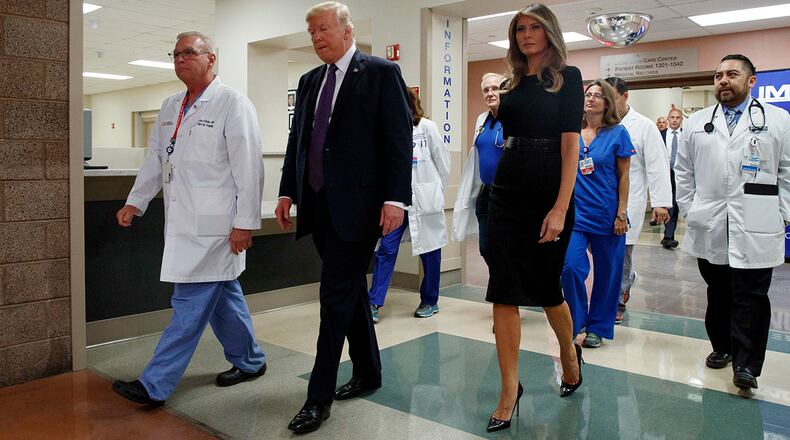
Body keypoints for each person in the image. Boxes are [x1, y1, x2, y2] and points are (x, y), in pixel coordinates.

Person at [274, 2, 412, 433]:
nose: (317, 37)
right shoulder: (310, 80)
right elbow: (300, 140)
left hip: (361, 208)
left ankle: (318, 398)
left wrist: (395, 199)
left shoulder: (379, 74)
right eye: (311, 31)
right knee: (348, 289)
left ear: (348, 31)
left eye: (324, 29)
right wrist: (287, 189)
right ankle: (369, 371)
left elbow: (397, 141)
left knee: (332, 298)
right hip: (318, 205)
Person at [111, 31, 267, 405]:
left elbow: (249, 169)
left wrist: (244, 223)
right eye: (176, 53)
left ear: (211, 59)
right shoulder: (169, 106)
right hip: (183, 222)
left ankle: (155, 383)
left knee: (189, 305)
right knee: (223, 296)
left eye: (189, 53)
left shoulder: (233, 104)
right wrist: (137, 201)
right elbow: (156, 160)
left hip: (217, 226)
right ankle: (250, 361)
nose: (180, 59)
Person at [484, 4, 584, 433]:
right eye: (520, 28)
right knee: (502, 291)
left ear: (549, 32)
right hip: (506, 192)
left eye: (534, 28)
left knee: (547, 290)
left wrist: (560, 208)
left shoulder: (569, 78)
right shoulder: (511, 81)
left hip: (548, 194)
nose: (526, 35)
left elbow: (569, 148)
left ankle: (568, 352)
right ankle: (509, 389)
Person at [675, 54, 790, 393]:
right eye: (718, 75)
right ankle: (722, 347)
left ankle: (747, 365)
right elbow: (684, 171)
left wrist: (782, 212)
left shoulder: (778, 119)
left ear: (751, 81)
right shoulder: (697, 122)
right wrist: (689, 207)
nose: (723, 80)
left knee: (752, 295)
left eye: (732, 74)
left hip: (758, 218)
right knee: (719, 290)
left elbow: (787, 170)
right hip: (709, 219)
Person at [561, 79, 634, 349]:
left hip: (608, 214)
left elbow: (625, 177)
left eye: (597, 95)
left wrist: (621, 214)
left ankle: (598, 327)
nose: (590, 99)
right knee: (569, 267)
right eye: (587, 94)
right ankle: (576, 320)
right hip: (576, 215)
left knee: (608, 273)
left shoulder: (618, 133)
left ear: (608, 103)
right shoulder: (571, 132)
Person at [368, 88, 451, 322]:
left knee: (430, 252)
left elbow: (443, 164)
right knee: (386, 249)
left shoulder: (426, 127)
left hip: (424, 200)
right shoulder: (385, 131)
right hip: (396, 202)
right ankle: (373, 301)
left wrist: (434, 192)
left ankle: (430, 300)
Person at [605, 77, 672, 325]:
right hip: (599, 200)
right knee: (600, 250)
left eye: (612, 96)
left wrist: (660, 202)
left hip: (629, 200)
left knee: (622, 251)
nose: (607, 102)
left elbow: (657, 165)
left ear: (625, 96)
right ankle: (625, 280)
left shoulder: (644, 126)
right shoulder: (598, 124)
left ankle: (619, 299)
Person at [453, 72, 506, 261]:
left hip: (508, 195)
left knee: (505, 248)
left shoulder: (514, 119)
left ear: (505, 90)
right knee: (486, 248)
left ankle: (502, 289)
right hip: (486, 193)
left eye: (495, 88)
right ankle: (498, 287)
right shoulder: (482, 120)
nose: (490, 93)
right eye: (486, 90)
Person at [661, 106, 684, 249]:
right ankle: (667, 236)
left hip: (680, 173)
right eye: (672, 117)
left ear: (681, 120)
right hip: (664, 172)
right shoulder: (660, 134)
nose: (675, 120)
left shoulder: (686, 135)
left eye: (678, 118)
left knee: (675, 205)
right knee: (666, 204)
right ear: (668, 119)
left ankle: (669, 236)